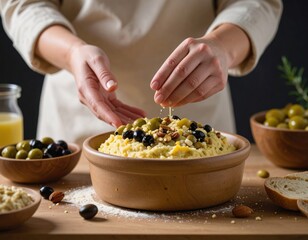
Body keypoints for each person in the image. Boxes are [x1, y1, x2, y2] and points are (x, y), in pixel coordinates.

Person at [0, 0, 282, 145]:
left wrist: (223, 47)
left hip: (201, 118)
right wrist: (72, 53)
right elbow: (24, 5)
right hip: (77, 123)